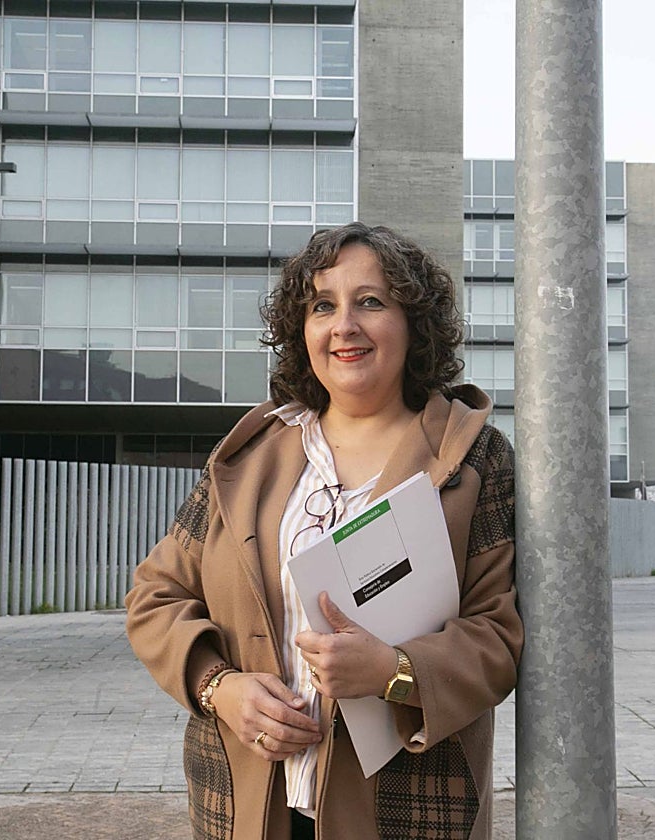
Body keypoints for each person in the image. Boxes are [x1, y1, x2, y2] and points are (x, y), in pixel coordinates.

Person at [126, 222, 523, 840]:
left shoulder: (473, 458)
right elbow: (156, 596)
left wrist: (395, 670)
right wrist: (219, 687)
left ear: (414, 321)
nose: (344, 325)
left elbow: (500, 635)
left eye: (371, 301)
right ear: (301, 329)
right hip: (245, 803)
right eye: (322, 305)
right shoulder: (248, 455)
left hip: (406, 809)